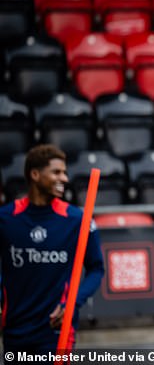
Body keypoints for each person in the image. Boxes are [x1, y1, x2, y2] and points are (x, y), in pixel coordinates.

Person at [0, 144, 104, 356]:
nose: (65, 178)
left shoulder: (77, 220)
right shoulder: (6, 218)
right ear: (35, 174)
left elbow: (96, 269)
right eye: (57, 172)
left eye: (65, 172)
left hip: (56, 331)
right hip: (15, 331)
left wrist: (71, 304)